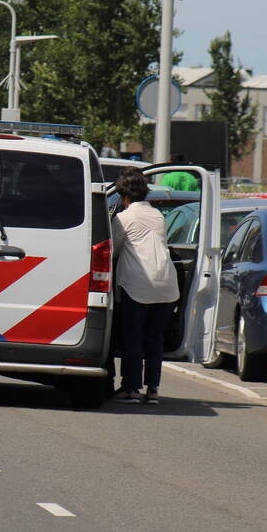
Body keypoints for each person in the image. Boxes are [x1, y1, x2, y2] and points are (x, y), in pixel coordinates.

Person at [111, 168, 180, 404]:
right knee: (154, 338)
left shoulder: (124, 217)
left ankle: (130, 388)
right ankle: (153, 390)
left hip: (138, 284)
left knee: (133, 337)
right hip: (166, 283)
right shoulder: (158, 215)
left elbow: (114, 249)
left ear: (123, 196)